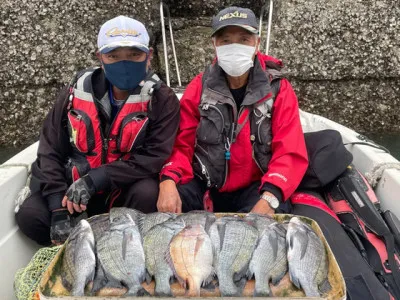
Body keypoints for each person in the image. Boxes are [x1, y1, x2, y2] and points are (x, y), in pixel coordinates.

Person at [15, 16, 180, 245]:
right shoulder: (75, 91)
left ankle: (119, 250)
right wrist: (56, 205)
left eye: (134, 55)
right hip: (74, 191)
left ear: (149, 56)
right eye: (113, 56)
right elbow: (50, 148)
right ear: (100, 57)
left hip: (120, 188)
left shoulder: (163, 99)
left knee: (147, 195)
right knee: (30, 216)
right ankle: (79, 250)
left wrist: (98, 179)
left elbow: (154, 156)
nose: (124, 63)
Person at [157, 6, 308, 215]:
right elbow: (181, 143)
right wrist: (168, 180)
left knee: (263, 229)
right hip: (204, 183)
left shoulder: (279, 90)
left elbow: (290, 152)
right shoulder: (199, 88)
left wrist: (270, 196)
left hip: (257, 187)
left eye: (244, 39)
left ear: (257, 43)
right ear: (214, 45)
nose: (234, 46)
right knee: (168, 211)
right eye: (226, 40)